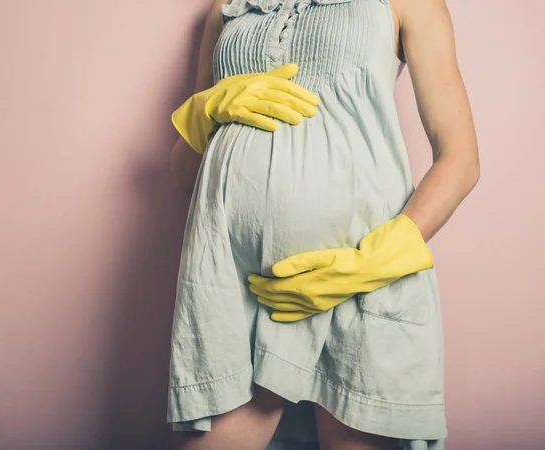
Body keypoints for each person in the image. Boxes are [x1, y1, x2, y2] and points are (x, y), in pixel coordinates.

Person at [167, 0, 479, 448]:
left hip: (355, 280)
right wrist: (204, 111)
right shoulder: (227, 7)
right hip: (235, 287)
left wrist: (369, 263)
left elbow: (460, 159)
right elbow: (185, 176)